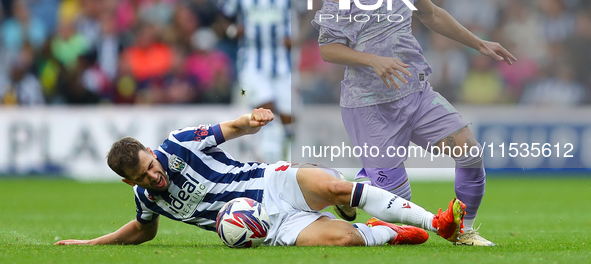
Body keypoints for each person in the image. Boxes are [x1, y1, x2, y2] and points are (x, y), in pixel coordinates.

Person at [312, 0, 517, 246]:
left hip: (416, 92)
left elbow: (432, 15)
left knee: (469, 151)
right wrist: (373, 60)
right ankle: (352, 190)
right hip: (370, 105)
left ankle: (463, 231)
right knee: (397, 208)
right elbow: (327, 48)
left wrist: (477, 43)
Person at [55, 108, 465, 247]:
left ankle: (437, 223)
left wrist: (251, 120)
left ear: (150, 150)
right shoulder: (148, 200)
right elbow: (142, 232)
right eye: (144, 177)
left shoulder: (178, 143)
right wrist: (90, 243)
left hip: (271, 181)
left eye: (151, 164)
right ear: (131, 184)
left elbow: (229, 129)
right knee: (345, 239)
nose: (154, 175)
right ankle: (387, 232)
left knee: (339, 188)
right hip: (268, 227)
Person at [218, 0, 293, 162]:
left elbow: (311, 10)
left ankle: (284, 159)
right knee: (266, 107)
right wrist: (233, 31)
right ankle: (269, 161)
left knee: (288, 117)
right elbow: (222, 19)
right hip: (251, 60)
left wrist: (298, 36)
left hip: (284, 62)